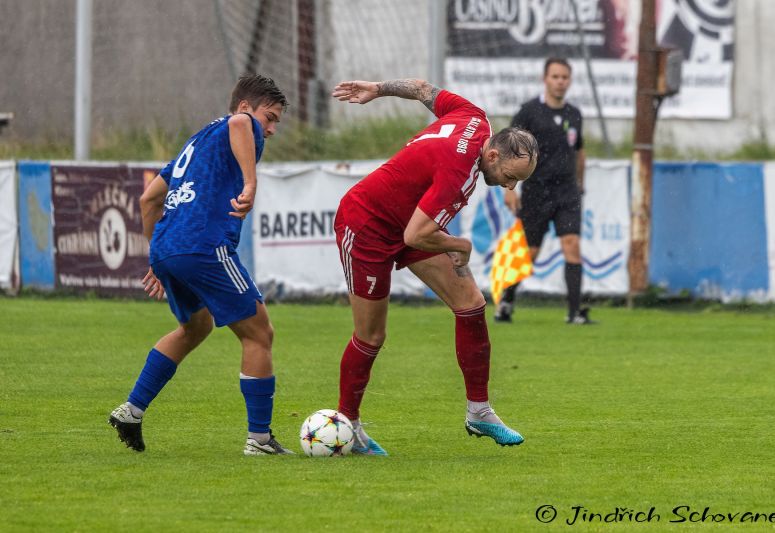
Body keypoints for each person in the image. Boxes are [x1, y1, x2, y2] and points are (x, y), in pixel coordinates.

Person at [331, 78, 538, 455]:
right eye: (510, 178)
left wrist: (379, 88)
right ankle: (348, 425)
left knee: (471, 303)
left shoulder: (475, 118)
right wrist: (459, 244)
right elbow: (416, 235)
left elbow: (421, 88)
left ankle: (480, 411)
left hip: (411, 220)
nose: (509, 188)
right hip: (367, 225)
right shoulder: (457, 172)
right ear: (493, 156)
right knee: (371, 336)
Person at [108, 75, 293, 456]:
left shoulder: (196, 143)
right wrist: (250, 183)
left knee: (195, 327)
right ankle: (259, 440)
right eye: (269, 117)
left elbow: (148, 200)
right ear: (245, 107)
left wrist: (158, 256)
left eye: (275, 122)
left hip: (170, 249)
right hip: (205, 246)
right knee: (259, 333)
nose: (271, 129)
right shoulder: (239, 125)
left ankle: (131, 410)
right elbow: (241, 124)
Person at [496, 58, 593, 325]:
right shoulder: (529, 112)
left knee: (572, 245)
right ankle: (506, 301)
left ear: (569, 81)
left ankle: (575, 313)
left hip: (567, 191)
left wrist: (580, 183)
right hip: (537, 191)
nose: (560, 81)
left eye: (565, 77)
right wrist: (509, 188)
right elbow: (507, 149)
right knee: (531, 252)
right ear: (545, 79)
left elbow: (579, 150)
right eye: (555, 76)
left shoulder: (575, 114)